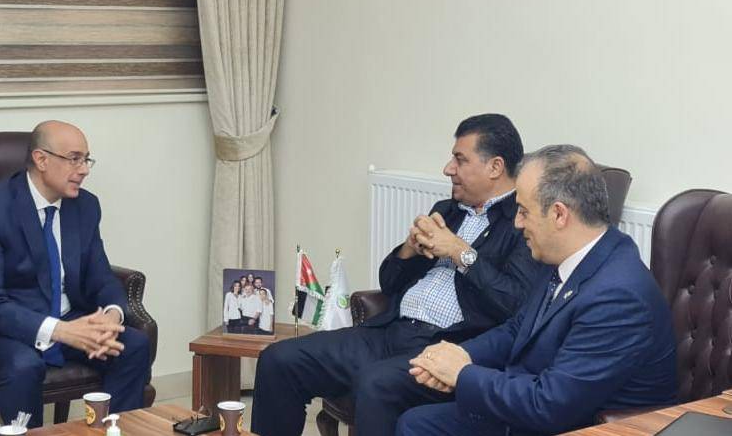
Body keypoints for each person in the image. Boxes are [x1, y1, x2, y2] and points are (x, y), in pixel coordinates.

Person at [252, 114, 545, 436]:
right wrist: (408, 249)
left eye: (460, 160)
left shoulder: (522, 224)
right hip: (390, 331)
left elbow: (514, 303)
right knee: (278, 359)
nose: (448, 168)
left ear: (495, 167)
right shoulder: (446, 211)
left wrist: (459, 251)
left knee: (375, 383)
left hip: (448, 347)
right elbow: (389, 284)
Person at [397, 145, 677, 436]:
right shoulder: (568, 256)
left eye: (523, 211)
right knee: (416, 423)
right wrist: (458, 354)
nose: (517, 223)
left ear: (559, 214)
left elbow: (550, 405)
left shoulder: (618, 296)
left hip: (581, 425)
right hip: (537, 402)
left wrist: (462, 374)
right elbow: (518, 329)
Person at [0, 121, 151, 428]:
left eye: (86, 159)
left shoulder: (85, 206)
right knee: (23, 364)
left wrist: (111, 317)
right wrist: (62, 331)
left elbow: (101, 276)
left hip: (63, 319)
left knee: (133, 346)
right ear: (41, 159)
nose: (84, 170)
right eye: (74, 159)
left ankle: (113, 431)